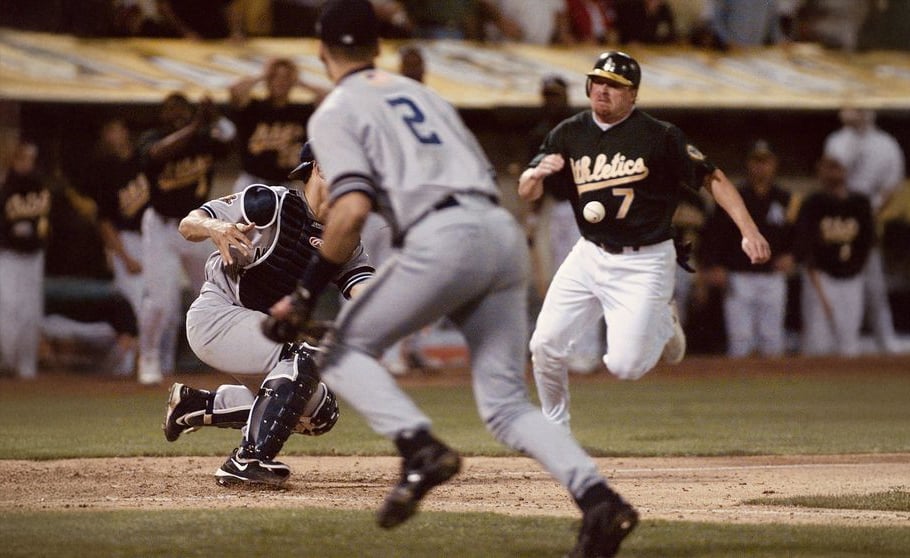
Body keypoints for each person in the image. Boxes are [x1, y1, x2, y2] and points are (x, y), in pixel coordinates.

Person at [264, 2, 639, 556]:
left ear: (322, 51)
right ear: (377, 47)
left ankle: (419, 449)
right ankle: (601, 502)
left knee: (340, 354)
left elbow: (350, 210)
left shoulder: (335, 111)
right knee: (507, 406)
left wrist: (302, 293)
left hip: (444, 235)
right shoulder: (425, 96)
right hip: (498, 230)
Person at [519, 51, 771, 427]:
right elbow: (527, 192)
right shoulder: (569, 132)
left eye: (615, 86)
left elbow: (712, 178)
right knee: (543, 346)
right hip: (589, 253)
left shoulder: (659, 135)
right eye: (598, 82)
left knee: (625, 366)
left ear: (633, 95)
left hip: (645, 259)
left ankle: (665, 324)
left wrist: (748, 230)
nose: (603, 91)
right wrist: (535, 176)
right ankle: (555, 430)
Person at [163, 142, 372, 485]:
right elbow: (189, 224)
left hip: (258, 332)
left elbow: (363, 288)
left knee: (319, 415)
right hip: (216, 315)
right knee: (304, 358)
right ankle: (246, 461)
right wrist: (215, 228)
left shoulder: (344, 236)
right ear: (319, 167)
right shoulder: (269, 202)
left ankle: (194, 406)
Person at [136, 92, 236, 385]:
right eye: (172, 110)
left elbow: (230, 141)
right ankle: (149, 356)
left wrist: (215, 117)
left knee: (215, 291)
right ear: (163, 114)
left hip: (196, 224)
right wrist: (195, 126)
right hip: (162, 227)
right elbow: (157, 154)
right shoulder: (153, 138)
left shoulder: (203, 137)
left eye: (184, 110)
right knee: (159, 302)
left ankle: (226, 356)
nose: (177, 114)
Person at [699, 140, 798, 358]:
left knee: (772, 339)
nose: (761, 167)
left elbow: (797, 236)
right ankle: (738, 390)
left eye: (766, 161)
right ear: (748, 163)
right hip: (739, 275)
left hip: (773, 275)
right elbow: (713, 234)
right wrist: (713, 265)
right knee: (740, 339)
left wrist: (792, 256)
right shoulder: (734, 196)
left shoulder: (785, 198)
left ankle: (773, 391)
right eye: (756, 161)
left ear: (774, 164)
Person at [823, 107, 905, 354]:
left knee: (875, 288)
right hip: (839, 221)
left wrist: (871, 213)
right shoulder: (836, 140)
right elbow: (828, 179)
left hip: (868, 216)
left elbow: (891, 186)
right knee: (839, 287)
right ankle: (838, 346)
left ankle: (885, 342)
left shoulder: (886, 144)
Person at [794, 150, 875, 357]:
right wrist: (819, 291)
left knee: (849, 343)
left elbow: (867, 243)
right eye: (827, 167)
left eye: (836, 167)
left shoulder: (860, 204)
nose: (832, 173)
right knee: (817, 343)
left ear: (846, 170)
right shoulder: (813, 203)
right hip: (821, 277)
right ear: (819, 170)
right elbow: (805, 247)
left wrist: (856, 273)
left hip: (852, 278)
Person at [228, 57, 329, 193]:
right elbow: (235, 89)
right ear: (268, 80)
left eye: (286, 78)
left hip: (287, 184)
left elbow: (329, 97)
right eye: (275, 77)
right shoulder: (253, 108)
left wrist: (299, 82)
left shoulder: (300, 112)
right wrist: (263, 75)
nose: (280, 82)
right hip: (253, 181)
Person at [0, 140, 51, 380]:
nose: (26, 163)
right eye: (21, 158)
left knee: (31, 310)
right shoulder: (4, 186)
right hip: (7, 255)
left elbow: (49, 224)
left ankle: (26, 366)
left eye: (30, 159)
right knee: (8, 307)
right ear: (13, 158)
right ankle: (8, 362)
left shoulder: (40, 185)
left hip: (33, 256)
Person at [709, 0, 786, 49]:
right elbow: (717, 20)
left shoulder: (771, 2)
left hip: (754, 49)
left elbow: (773, 24)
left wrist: (781, 41)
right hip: (731, 49)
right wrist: (728, 41)